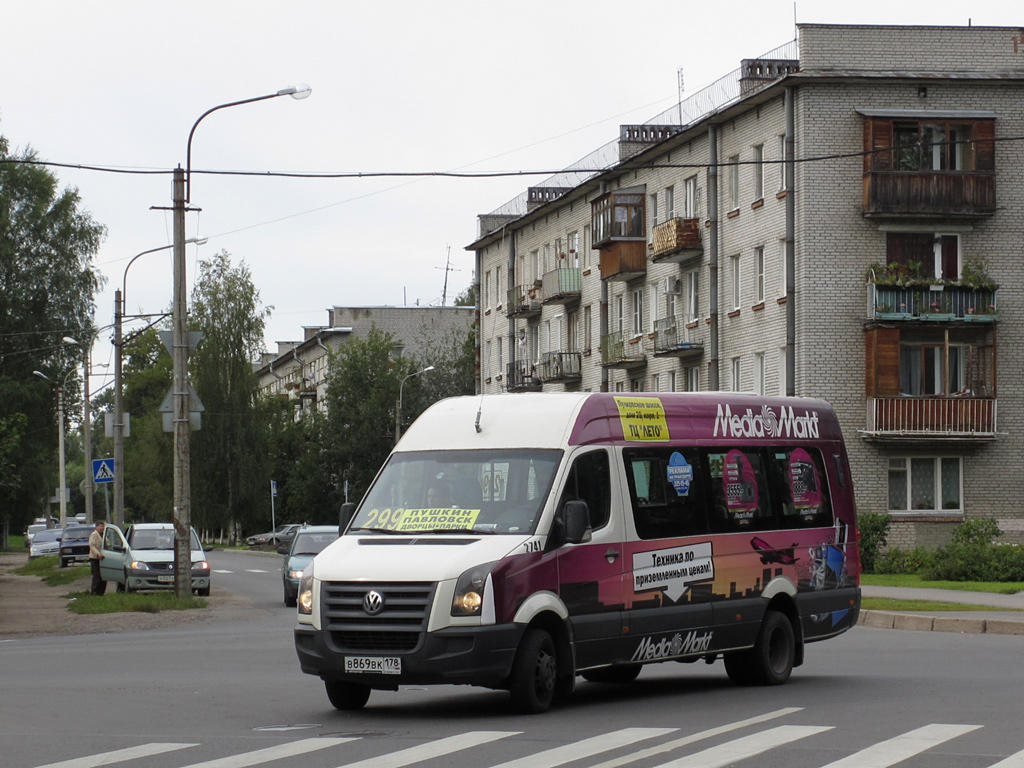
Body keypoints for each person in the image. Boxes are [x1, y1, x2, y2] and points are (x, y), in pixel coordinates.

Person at [88, 520, 106, 596]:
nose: (102, 528)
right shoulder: (94, 534)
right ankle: (94, 592)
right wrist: (98, 554)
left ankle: (101, 592)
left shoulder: (104, 534)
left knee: (103, 576)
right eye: (101, 526)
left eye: (103, 526)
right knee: (96, 575)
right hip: (95, 558)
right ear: (96, 527)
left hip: (103, 558)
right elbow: (92, 546)